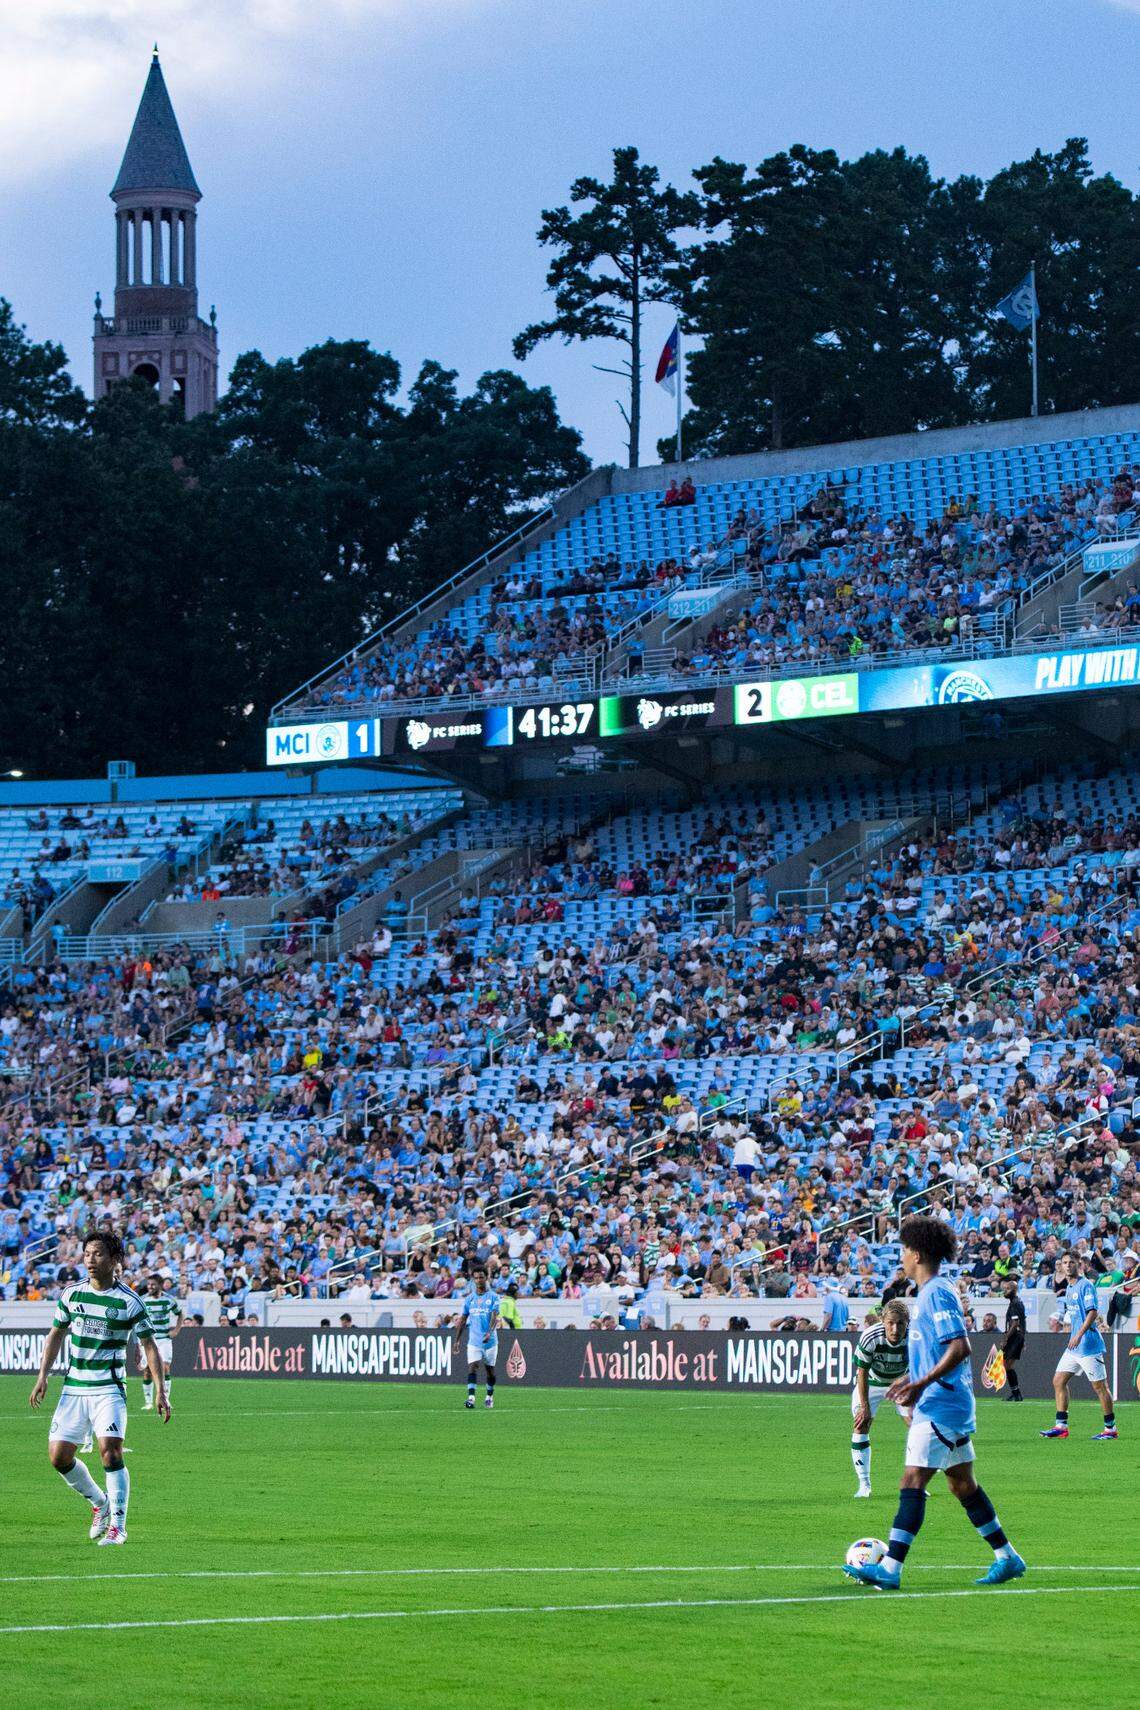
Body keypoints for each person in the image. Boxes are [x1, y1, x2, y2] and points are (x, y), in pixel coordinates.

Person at [843, 1215, 1025, 1589]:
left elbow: (960, 1347)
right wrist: (910, 1380)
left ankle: (890, 1569)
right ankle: (1007, 1558)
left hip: (942, 1404)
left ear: (919, 1253)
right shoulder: (926, 1295)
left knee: (912, 1479)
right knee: (962, 1484)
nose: (902, 1258)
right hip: (941, 1402)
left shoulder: (937, 1292)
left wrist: (920, 1383)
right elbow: (936, 1353)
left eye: (905, 1251)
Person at [29, 1227, 171, 1547]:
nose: (90, 1260)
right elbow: (55, 1335)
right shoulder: (72, 1294)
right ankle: (100, 1503)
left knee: (111, 1452)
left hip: (108, 1387)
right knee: (58, 1457)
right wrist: (43, 1376)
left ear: (114, 1260)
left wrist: (160, 1390)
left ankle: (118, 1526)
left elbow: (150, 1346)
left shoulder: (129, 1302)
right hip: (74, 1387)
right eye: (87, 1254)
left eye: (98, 1254)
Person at [1040, 1253, 1117, 1440]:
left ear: (1079, 1265)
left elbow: (1092, 1312)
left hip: (1088, 1344)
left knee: (1100, 1387)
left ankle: (1110, 1429)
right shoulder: (1069, 1287)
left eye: (1071, 1263)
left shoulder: (1086, 1285)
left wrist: (1079, 1334)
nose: (1067, 1266)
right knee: (1058, 1380)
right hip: (1074, 1346)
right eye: (1064, 1263)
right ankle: (1061, 1426)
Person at [850, 1300, 911, 1499]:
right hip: (872, 1382)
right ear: (883, 1321)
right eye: (891, 1323)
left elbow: (924, 1368)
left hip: (903, 1381)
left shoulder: (916, 1337)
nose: (895, 1328)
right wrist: (865, 1406)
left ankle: (915, 1483)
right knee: (861, 1423)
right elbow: (862, 1371)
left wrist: (906, 1384)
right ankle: (864, 1485)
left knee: (917, 1425)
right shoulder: (870, 1336)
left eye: (900, 1323)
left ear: (907, 1322)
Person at [453, 1267, 502, 1410]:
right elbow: (462, 1320)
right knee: (472, 1367)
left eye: (481, 1277)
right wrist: (457, 1340)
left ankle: (489, 1396)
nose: (479, 1280)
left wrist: (489, 1332)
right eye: (476, 1278)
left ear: (486, 1278)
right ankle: (471, 1398)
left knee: (490, 1371)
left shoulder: (493, 1297)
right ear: (473, 1280)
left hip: (490, 1342)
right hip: (474, 1341)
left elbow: (494, 1315)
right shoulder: (469, 1299)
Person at [1000, 1275, 1026, 1403]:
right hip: (1018, 1337)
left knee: (1007, 1365)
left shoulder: (1015, 1303)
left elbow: (1015, 1323)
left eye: (1007, 1289)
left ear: (1014, 1290)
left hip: (1015, 1337)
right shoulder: (1016, 1302)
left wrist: (1006, 1338)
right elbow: (1023, 1322)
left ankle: (1016, 1394)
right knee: (1007, 1365)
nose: (1005, 1291)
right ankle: (1016, 1393)